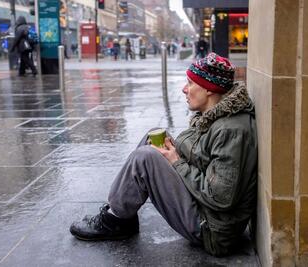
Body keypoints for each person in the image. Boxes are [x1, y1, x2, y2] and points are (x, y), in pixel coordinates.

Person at [70, 52, 258, 257]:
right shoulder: (215, 116)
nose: (184, 89)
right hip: (205, 210)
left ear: (209, 89)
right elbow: (204, 160)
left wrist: (176, 161)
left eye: (191, 83)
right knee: (154, 137)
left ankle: (115, 222)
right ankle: (122, 216)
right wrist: (173, 152)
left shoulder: (229, 130)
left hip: (212, 229)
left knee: (145, 157)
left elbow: (220, 197)